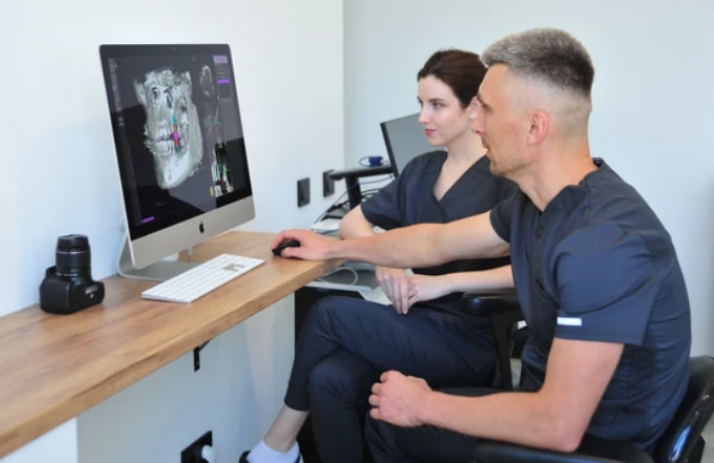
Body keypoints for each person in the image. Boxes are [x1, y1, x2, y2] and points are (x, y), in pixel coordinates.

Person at [271, 28, 691, 462]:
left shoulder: (602, 244)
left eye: (486, 109)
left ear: (535, 127)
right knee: (376, 410)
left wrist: (423, 404)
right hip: (547, 408)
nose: (475, 124)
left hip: (595, 448)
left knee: (396, 423)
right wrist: (331, 249)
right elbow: (435, 242)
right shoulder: (539, 204)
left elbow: (558, 425)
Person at [240, 49, 516, 463]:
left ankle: (277, 447)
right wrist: (386, 260)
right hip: (413, 323)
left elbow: (525, 270)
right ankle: (283, 450)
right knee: (328, 378)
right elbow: (354, 220)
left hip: (468, 340)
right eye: (420, 104)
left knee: (329, 313)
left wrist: (441, 283)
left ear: (473, 106)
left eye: (436, 105)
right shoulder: (422, 170)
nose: (422, 117)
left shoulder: (503, 178)